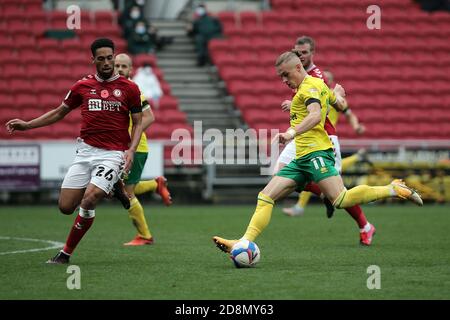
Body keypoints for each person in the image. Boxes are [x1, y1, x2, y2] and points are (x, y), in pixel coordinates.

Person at [212, 51, 423, 253]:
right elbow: (337, 104)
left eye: (286, 74)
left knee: (340, 200)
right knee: (265, 196)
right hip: (301, 158)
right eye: (281, 77)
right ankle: (243, 242)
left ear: (298, 67)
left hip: (317, 154)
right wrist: (338, 96)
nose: (284, 80)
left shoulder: (309, 88)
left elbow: (314, 115)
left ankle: (393, 189)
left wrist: (290, 133)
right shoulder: (316, 85)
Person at [6, 38, 143, 264]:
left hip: (113, 153)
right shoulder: (82, 86)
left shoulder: (130, 88)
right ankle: (115, 186)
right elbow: (60, 112)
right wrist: (28, 124)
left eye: (110, 58)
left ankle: (65, 253)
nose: (107, 63)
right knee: (66, 207)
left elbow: (137, 122)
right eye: (102, 59)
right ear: (93, 60)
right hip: (86, 152)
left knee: (89, 199)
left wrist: (131, 150)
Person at [276, 36, 376, 245]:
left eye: (304, 52)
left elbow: (322, 106)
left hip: (324, 136)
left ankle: (365, 225)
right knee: (280, 172)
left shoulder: (317, 76)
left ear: (312, 53)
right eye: (297, 52)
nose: (300, 55)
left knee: (339, 195)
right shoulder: (296, 74)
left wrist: (338, 99)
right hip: (303, 136)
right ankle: (323, 194)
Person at [114, 53, 172, 246]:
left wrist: (130, 139)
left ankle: (145, 236)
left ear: (131, 71)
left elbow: (149, 117)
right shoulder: (113, 92)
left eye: (124, 66)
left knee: (126, 193)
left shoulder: (134, 92)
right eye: (117, 66)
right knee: (118, 189)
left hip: (136, 148)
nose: (120, 69)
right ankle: (156, 184)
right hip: (123, 148)